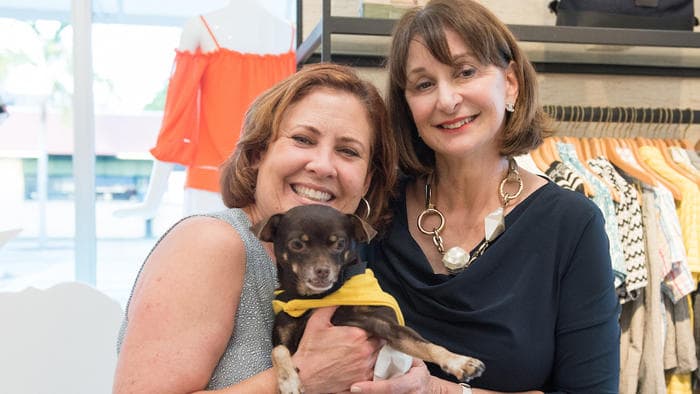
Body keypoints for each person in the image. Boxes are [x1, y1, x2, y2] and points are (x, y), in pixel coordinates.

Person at [359, 1, 621, 393]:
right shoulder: (376, 207)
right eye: (424, 84)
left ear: (510, 82)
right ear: (407, 104)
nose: (446, 100)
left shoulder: (571, 224)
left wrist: (438, 390)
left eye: (465, 72)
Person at [112, 63, 400, 393]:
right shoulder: (211, 244)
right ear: (257, 154)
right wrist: (303, 378)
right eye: (303, 139)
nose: (322, 166)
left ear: (367, 181)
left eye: (348, 151)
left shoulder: (344, 267)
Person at [114, 0, 296, 219]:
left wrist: (152, 201)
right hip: (255, 184)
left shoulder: (200, 27)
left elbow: (177, 115)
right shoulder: (289, 35)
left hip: (223, 184)